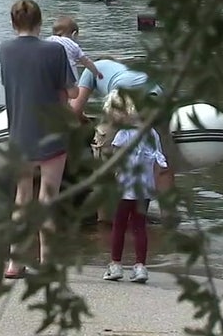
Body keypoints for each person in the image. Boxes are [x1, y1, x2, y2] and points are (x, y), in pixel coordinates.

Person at [0, 0, 78, 278]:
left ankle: (14, 263)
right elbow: (72, 92)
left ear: (13, 22)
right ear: (40, 23)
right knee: (48, 198)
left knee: (22, 198)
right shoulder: (54, 50)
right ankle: (48, 262)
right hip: (51, 136)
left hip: (19, 134)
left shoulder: (5, 50)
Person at [68, 58, 178, 223]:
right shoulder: (125, 70)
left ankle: (106, 221)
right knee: (159, 161)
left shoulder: (90, 70)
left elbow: (75, 110)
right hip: (156, 98)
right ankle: (167, 218)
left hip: (123, 98)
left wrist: (85, 121)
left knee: (104, 166)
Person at [101, 89, 167, 283]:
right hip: (144, 189)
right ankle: (140, 267)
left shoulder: (123, 135)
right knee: (139, 227)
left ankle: (116, 265)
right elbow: (158, 163)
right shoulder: (152, 134)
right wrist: (152, 184)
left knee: (119, 225)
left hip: (124, 189)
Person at [46, 16, 103, 82]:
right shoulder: (72, 44)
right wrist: (96, 73)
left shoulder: (47, 41)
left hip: (50, 76)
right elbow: (86, 61)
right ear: (74, 34)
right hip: (69, 78)